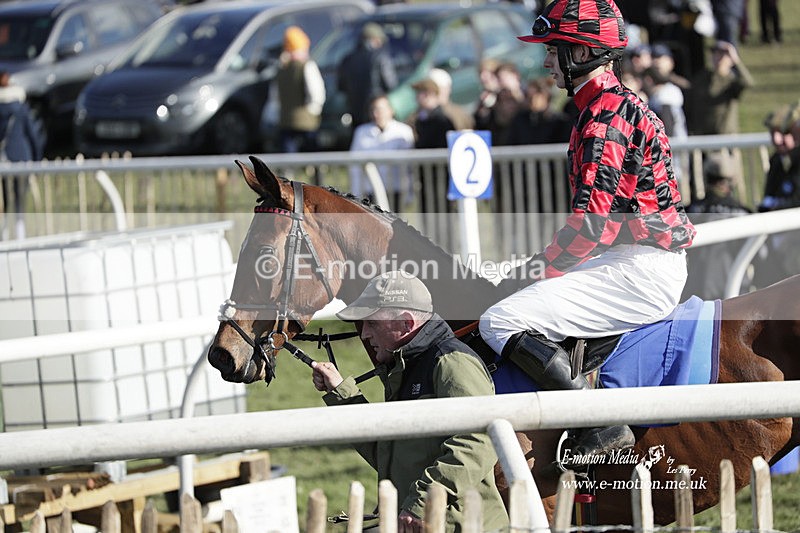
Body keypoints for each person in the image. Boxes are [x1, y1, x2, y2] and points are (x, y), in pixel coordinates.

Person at [478, 0, 696, 459]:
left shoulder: (604, 117)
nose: (544, 61)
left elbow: (589, 226)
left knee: (499, 321)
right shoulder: (605, 107)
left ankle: (598, 421)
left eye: (552, 50)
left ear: (581, 55)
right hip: (631, 259)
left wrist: (535, 269)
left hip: (639, 270)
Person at [311, 271, 509, 532]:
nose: (365, 335)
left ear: (406, 323)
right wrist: (341, 394)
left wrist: (423, 502)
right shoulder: (405, 367)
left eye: (372, 323)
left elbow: (476, 443)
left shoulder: (451, 362)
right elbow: (389, 453)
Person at [683, 153, 751, 300]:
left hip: (695, 294)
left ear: (706, 178)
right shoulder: (745, 215)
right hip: (736, 294)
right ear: (733, 182)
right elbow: (762, 259)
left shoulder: (690, 212)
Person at [348, 95, 415, 210]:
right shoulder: (361, 132)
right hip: (370, 190)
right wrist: (356, 193)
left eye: (380, 109)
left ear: (391, 110)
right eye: (373, 109)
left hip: (396, 188)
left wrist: (410, 192)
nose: (377, 113)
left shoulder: (404, 131)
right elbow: (355, 167)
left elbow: (410, 167)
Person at [0, 70, 44, 240]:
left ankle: (5, 231)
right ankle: (20, 232)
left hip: (3, 159)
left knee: (6, 195)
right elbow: (33, 135)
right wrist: (37, 159)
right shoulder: (20, 107)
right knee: (20, 196)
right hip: (21, 157)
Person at [270, 26, 325, 153]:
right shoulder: (307, 66)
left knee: (288, 158)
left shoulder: (280, 68)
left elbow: (274, 97)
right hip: (307, 121)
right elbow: (316, 92)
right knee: (313, 155)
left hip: (285, 120)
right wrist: (314, 109)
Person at [338, 22, 398, 128]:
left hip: (355, 112)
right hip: (376, 111)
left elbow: (341, 86)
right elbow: (391, 84)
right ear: (374, 40)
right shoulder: (381, 57)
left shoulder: (347, 59)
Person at [686, 40, 753, 136]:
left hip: (726, 137)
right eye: (715, 54)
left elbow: (747, 83)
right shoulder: (702, 78)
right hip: (702, 136)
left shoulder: (731, 82)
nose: (718, 58)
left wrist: (736, 61)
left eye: (724, 55)